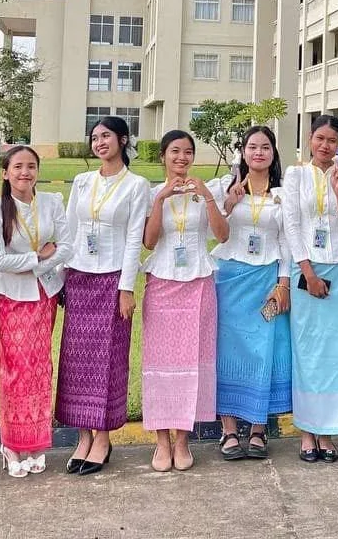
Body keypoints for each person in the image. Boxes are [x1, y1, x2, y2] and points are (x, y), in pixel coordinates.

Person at [58, 116, 151, 475]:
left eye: (106, 136)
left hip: (112, 281)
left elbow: (133, 239)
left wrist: (126, 288)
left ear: (123, 140)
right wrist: (62, 278)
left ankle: (102, 438)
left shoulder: (137, 185)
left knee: (107, 362)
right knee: (77, 362)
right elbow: (70, 230)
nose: (99, 143)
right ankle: (83, 435)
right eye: (95, 138)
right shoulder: (82, 182)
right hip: (80, 278)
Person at [0, 145, 72, 479]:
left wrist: (41, 262)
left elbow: (68, 246)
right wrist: (38, 257)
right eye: (17, 166)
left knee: (39, 367)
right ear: (5, 172)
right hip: (10, 297)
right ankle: (12, 444)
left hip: (44, 294)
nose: (25, 172)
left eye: (31, 166)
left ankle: (35, 443)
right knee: (15, 368)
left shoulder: (51, 202)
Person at [141, 130, 224, 472]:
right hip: (162, 283)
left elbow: (222, 235)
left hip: (199, 283)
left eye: (188, 151)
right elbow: (148, 241)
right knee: (160, 362)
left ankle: (183, 439)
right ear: (163, 155)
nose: (182, 157)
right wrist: (160, 199)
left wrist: (207, 197)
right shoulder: (149, 194)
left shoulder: (205, 193)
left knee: (194, 359)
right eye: (175, 151)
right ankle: (162, 439)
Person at [208, 125, 292, 461]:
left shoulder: (283, 195)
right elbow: (217, 233)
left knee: (264, 352)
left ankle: (258, 428)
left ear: (273, 154)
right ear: (242, 152)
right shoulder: (224, 188)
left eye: (265, 147)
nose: (258, 152)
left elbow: (287, 240)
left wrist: (283, 283)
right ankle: (228, 429)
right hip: (230, 279)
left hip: (267, 281)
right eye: (252, 146)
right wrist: (228, 204)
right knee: (228, 351)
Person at [282, 114, 338, 462]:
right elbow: (292, 226)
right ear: (309, 140)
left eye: (332, 140)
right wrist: (308, 273)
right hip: (307, 271)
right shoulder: (295, 175)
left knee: (334, 353)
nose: (325, 146)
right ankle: (307, 432)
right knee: (307, 351)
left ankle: (327, 432)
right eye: (319, 138)